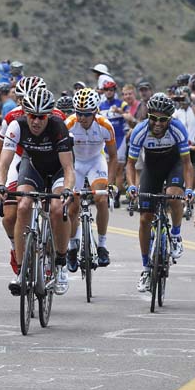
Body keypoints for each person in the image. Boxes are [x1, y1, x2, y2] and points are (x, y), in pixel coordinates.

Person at [0, 87, 74, 296]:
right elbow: (2, 165)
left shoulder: (58, 127)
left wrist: (67, 190)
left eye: (41, 117)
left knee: (57, 208)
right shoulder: (16, 126)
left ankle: (61, 262)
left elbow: (68, 169)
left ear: (48, 115)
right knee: (23, 206)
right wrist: (1, 185)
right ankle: (21, 271)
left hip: (56, 171)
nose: (36, 121)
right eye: (32, 116)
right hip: (33, 167)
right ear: (25, 114)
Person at [126, 93, 195, 292]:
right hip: (152, 168)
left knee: (174, 195)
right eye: (153, 118)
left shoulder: (177, 129)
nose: (157, 123)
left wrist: (188, 189)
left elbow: (186, 163)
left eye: (162, 119)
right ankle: (146, 268)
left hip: (174, 165)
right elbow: (130, 164)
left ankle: (175, 235)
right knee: (144, 218)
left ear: (170, 119)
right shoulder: (140, 130)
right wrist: (131, 186)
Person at [0, 76, 49, 275]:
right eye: (21, 100)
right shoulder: (12, 118)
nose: (25, 106)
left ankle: (53, 257)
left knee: (55, 209)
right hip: (20, 160)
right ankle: (17, 248)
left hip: (48, 161)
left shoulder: (53, 115)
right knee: (9, 216)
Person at [64, 88, 117, 270]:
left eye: (86, 114)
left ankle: (102, 246)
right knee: (72, 207)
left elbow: (113, 157)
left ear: (94, 111)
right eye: (78, 113)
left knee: (101, 199)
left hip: (96, 161)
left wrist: (110, 183)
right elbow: (61, 154)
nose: (82, 117)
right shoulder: (69, 124)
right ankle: (72, 248)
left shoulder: (105, 125)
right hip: (76, 163)